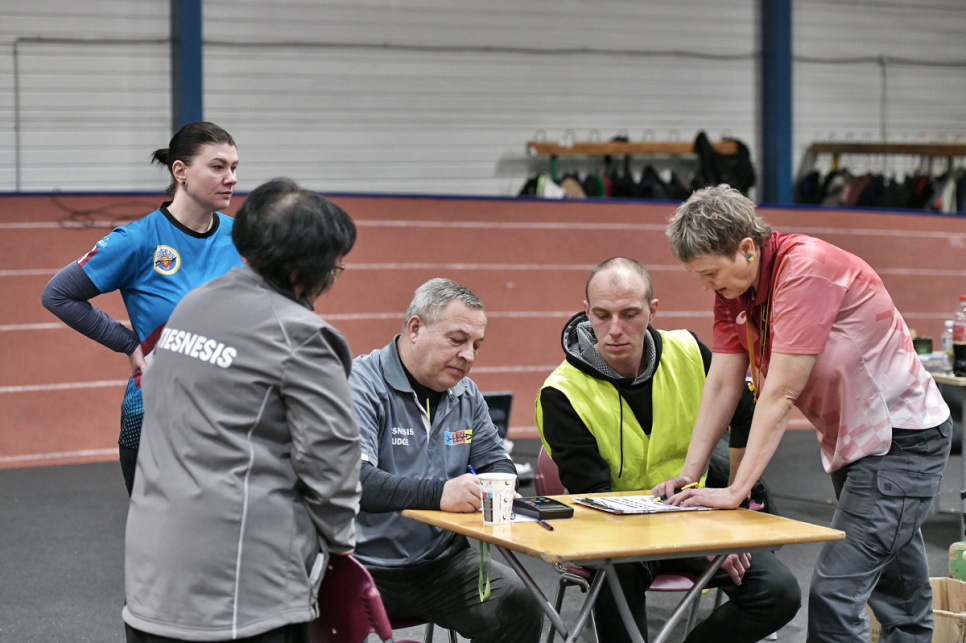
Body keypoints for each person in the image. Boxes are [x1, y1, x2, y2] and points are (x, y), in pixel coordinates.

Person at [659, 184, 952, 642]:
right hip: (859, 443)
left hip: (900, 441)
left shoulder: (805, 269)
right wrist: (689, 475)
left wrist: (736, 490)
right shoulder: (735, 289)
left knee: (836, 592)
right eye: (699, 275)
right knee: (899, 595)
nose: (706, 285)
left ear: (747, 248)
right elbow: (721, 385)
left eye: (711, 272)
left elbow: (780, 393)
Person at [122, 178, 361, 642]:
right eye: (335, 265)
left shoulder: (191, 305)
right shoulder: (302, 335)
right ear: (305, 271)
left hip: (151, 579)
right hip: (241, 594)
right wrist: (340, 547)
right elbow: (332, 464)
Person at [535, 257, 800, 643]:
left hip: (694, 520)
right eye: (603, 315)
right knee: (614, 575)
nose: (615, 329)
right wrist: (694, 532)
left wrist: (734, 504)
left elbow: (747, 413)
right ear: (587, 312)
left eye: (630, 314)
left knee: (779, 593)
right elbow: (596, 501)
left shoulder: (689, 352)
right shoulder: (561, 394)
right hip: (617, 537)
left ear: (652, 310)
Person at [41, 121, 243, 495]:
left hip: (231, 419)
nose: (231, 178)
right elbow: (59, 295)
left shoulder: (244, 236)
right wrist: (128, 343)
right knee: (165, 532)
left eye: (233, 167)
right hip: (155, 418)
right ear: (180, 171)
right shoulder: (137, 241)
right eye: (218, 167)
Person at [348, 278, 543, 643]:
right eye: (457, 340)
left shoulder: (466, 394)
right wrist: (440, 494)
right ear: (415, 328)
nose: (468, 355)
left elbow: (496, 462)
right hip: (360, 567)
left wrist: (498, 487)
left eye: (476, 345)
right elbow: (355, 480)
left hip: (443, 566)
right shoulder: (361, 383)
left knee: (520, 606)